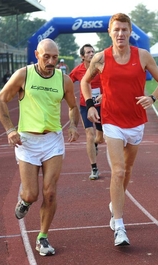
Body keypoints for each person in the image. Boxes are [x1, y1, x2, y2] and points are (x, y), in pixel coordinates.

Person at [81, 13, 158, 247]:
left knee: (127, 170)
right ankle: (119, 226)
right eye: (116, 29)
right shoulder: (100, 58)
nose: (120, 34)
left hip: (136, 122)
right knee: (118, 172)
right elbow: (85, 82)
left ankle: (114, 202)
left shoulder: (142, 56)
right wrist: (90, 105)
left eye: (124, 30)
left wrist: (152, 97)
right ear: (109, 32)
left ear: (130, 32)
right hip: (111, 121)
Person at [0, 38, 80, 256]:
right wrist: (10, 130)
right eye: (46, 57)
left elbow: (72, 106)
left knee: (50, 192)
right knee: (32, 194)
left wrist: (73, 126)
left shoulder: (64, 80)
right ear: (36, 54)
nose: (51, 62)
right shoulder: (24, 75)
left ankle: (43, 237)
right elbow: (0, 99)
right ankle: (25, 200)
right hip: (27, 142)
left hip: (52, 141)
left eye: (55, 57)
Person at [69, 44, 104, 180]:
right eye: (88, 52)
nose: (91, 54)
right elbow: (67, 82)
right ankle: (94, 168)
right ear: (82, 56)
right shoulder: (77, 70)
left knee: (99, 138)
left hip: (102, 106)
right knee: (89, 134)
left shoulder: (101, 68)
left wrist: (105, 94)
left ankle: (96, 142)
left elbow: (110, 82)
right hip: (86, 106)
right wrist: (70, 94)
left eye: (93, 52)